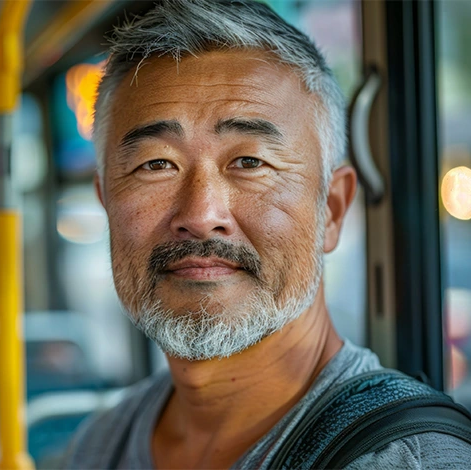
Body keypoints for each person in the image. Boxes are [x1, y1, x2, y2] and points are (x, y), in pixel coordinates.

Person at [62, 0, 471, 468]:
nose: (201, 214)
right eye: (156, 164)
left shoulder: (406, 461)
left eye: (250, 162)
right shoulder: (101, 445)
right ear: (105, 201)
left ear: (332, 209)